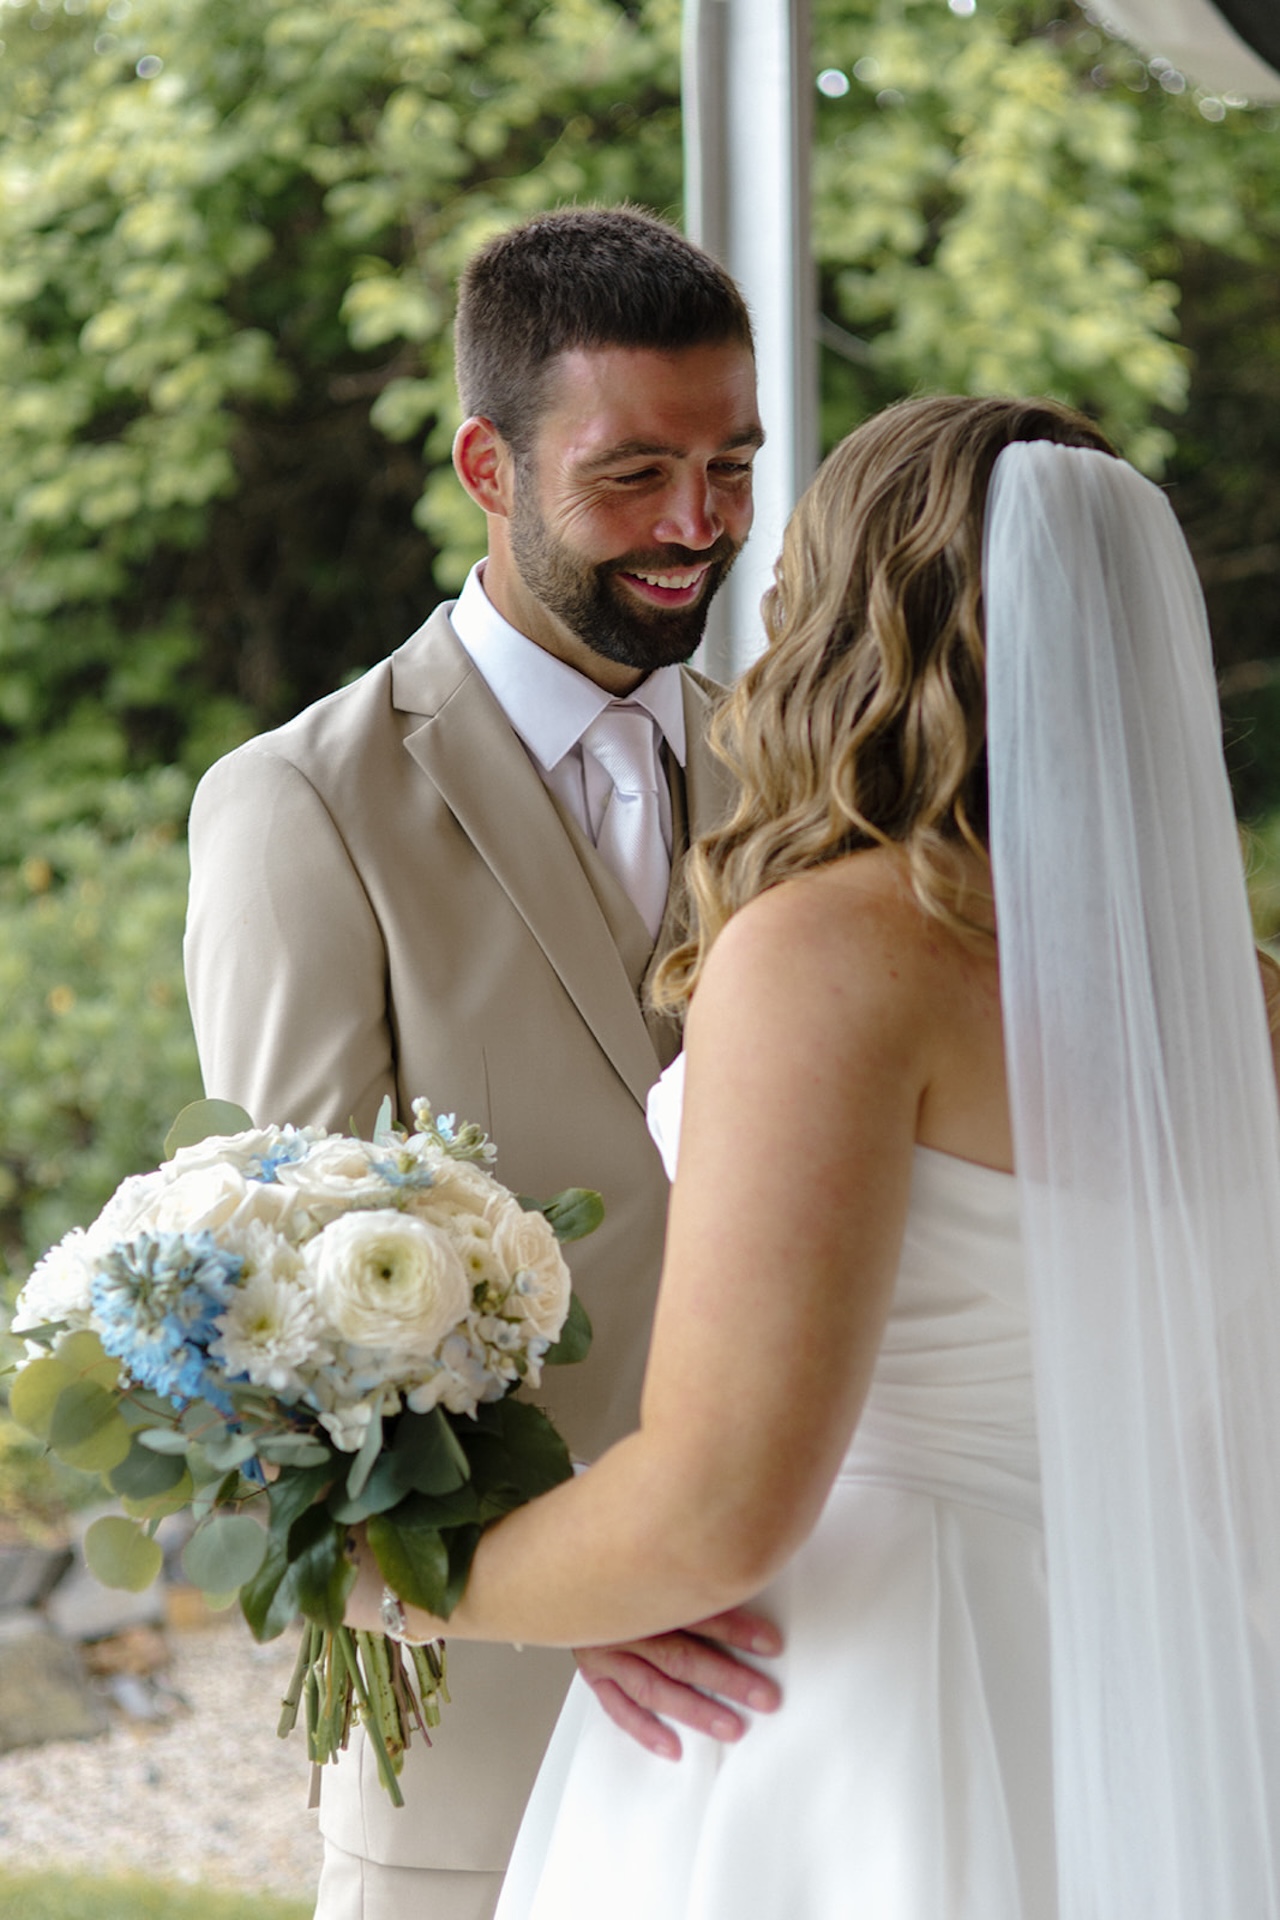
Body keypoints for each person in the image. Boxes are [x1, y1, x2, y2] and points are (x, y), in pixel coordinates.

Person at [345, 393, 1280, 1918]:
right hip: (1152, 1714)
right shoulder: (1244, 1005)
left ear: (857, 611)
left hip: (850, 1704)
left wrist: (392, 1576)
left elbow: (722, 1502)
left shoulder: (838, 954)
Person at [183, 205, 782, 1920]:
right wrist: (570, 1587)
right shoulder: (304, 809)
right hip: (493, 1762)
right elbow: (297, 1360)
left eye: (731, 465)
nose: (697, 527)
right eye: (636, 474)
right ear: (488, 466)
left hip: (815, 1710)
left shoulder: (808, 777)